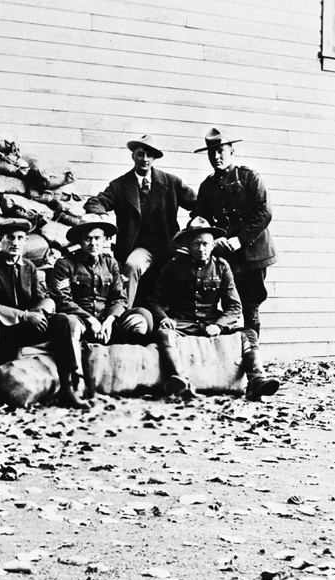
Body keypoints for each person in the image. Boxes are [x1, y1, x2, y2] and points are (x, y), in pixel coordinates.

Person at [0, 218, 90, 415]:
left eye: (20, 238)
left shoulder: (29, 267)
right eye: (10, 237)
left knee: (62, 320)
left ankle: (67, 387)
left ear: (26, 240)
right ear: (1, 240)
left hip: (20, 329)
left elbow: (41, 297)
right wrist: (24, 315)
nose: (15, 242)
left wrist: (40, 311)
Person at [147, 217, 280, 401]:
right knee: (163, 334)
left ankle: (256, 381)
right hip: (182, 323)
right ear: (188, 245)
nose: (201, 249)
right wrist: (163, 318)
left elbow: (234, 307)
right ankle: (181, 381)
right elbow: (154, 299)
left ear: (212, 245)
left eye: (206, 244)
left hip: (211, 322)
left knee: (248, 334)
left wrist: (219, 325)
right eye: (196, 244)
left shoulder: (222, 267)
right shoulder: (174, 266)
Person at [84, 134, 196, 308]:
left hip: (168, 246)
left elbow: (197, 205)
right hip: (139, 248)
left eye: (149, 155)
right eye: (140, 154)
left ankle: (182, 318)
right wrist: (104, 217)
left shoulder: (171, 182)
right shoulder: (120, 185)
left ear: (154, 158)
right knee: (132, 265)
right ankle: (123, 313)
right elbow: (95, 202)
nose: (145, 159)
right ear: (133, 156)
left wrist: (192, 229)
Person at [192, 128, 277, 336]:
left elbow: (264, 212)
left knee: (250, 304)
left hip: (252, 252)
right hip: (225, 254)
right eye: (212, 153)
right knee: (228, 304)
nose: (216, 156)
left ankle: (252, 354)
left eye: (220, 151)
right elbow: (200, 219)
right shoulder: (207, 185)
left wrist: (240, 239)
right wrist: (213, 240)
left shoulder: (249, 177)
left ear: (232, 151)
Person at [48, 214, 154, 347]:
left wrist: (109, 321)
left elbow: (119, 298)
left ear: (104, 240)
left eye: (97, 238)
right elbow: (62, 300)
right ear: (80, 241)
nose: (93, 243)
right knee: (69, 323)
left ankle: (127, 356)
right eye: (88, 239)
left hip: (107, 324)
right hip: (81, 321)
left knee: (142, 316)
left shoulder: (110, 263)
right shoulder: (65, 264)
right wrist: (90, 320)